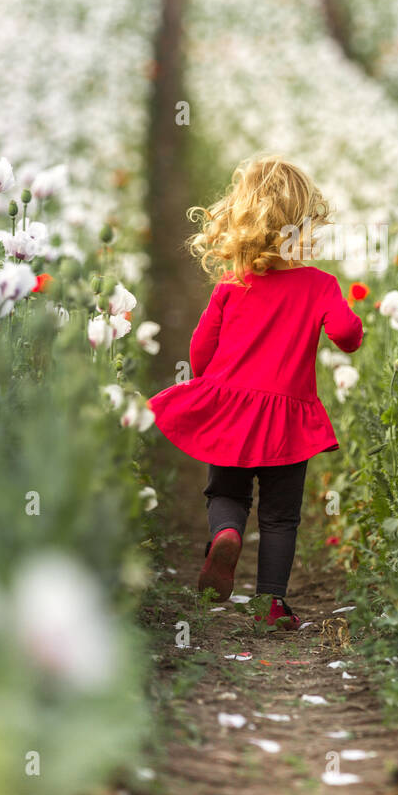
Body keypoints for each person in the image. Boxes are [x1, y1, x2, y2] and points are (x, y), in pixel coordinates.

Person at [148, 155, 363, 630]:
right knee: (281, 517)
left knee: (226, 491)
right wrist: (350, 332)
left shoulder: (232, 286)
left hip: (230, 409)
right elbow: (347, 334)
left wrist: (212, 386)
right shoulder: (319, 285)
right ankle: (271, 604)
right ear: (305, 224)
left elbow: (200, 348)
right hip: (287, 421)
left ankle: (225, 534)